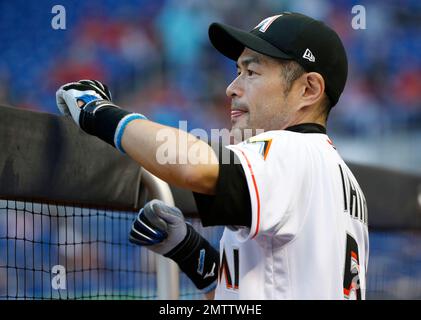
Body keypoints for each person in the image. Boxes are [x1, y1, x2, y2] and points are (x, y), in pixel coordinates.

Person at [56, 12, 369, 300]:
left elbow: (193, 166)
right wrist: (191, 251)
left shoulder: (291, 151)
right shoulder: (342, 179)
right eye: (238, 71)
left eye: (252, 72)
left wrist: (98, 113)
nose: (232, 88)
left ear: (309, 89)